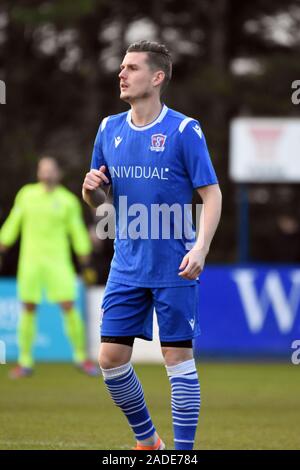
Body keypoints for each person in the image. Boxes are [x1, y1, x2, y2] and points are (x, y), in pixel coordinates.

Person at [82, 40, 222, 450]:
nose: (121, 74)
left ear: (156, 77)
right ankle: (148, 441)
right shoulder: (109, 128)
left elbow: (211, 194)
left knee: (177, 361)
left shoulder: (183, 129)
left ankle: (182, 454)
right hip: (126, 263)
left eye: (131, 68)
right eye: (121, 67)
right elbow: (100, 202)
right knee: (110, 360)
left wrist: (200, 249)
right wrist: (91, 192)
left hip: (174, 265)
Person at [0, 157, 99, 378]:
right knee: (27, 308)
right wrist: (2, 245)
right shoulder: (27, 194)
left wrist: (86, 260)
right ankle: (25, 362)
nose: (46, 173)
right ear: (38, 172)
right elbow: (14, 222)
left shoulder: (67, 201)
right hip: (30, 261)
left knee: (69, 306)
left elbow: (76, 231)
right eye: (42, 169)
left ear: (58, 173)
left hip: (58, 262)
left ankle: (81, 358)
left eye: (50, 169)